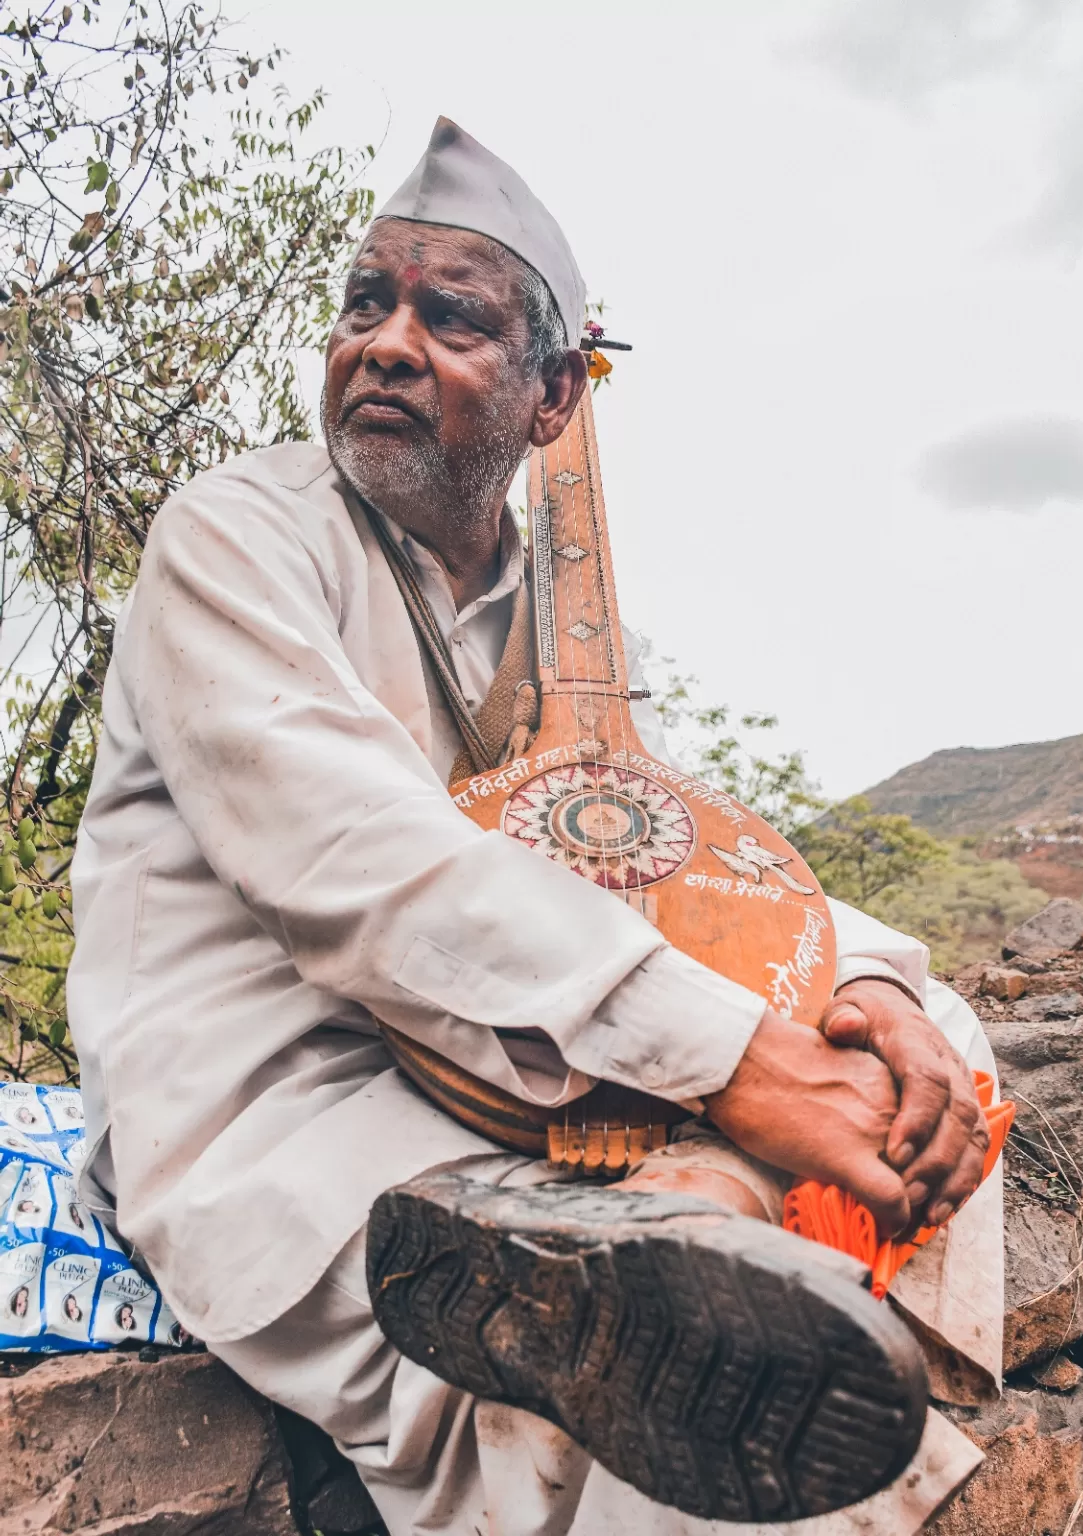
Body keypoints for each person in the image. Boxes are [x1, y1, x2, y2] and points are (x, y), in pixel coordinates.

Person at [68, 117, 1000, 1534]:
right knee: (640, 1437)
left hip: (513, 1084)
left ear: (554, 395)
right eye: (364, 302)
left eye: (447, 318)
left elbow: (676, 847)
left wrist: (869, 982)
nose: (383, 342)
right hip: (294, 1119)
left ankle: (717, 1237)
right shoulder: (237, 536)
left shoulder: (559, 629)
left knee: (939, 1041)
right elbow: (367, 865)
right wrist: (742, 1064)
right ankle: (676, 1271)